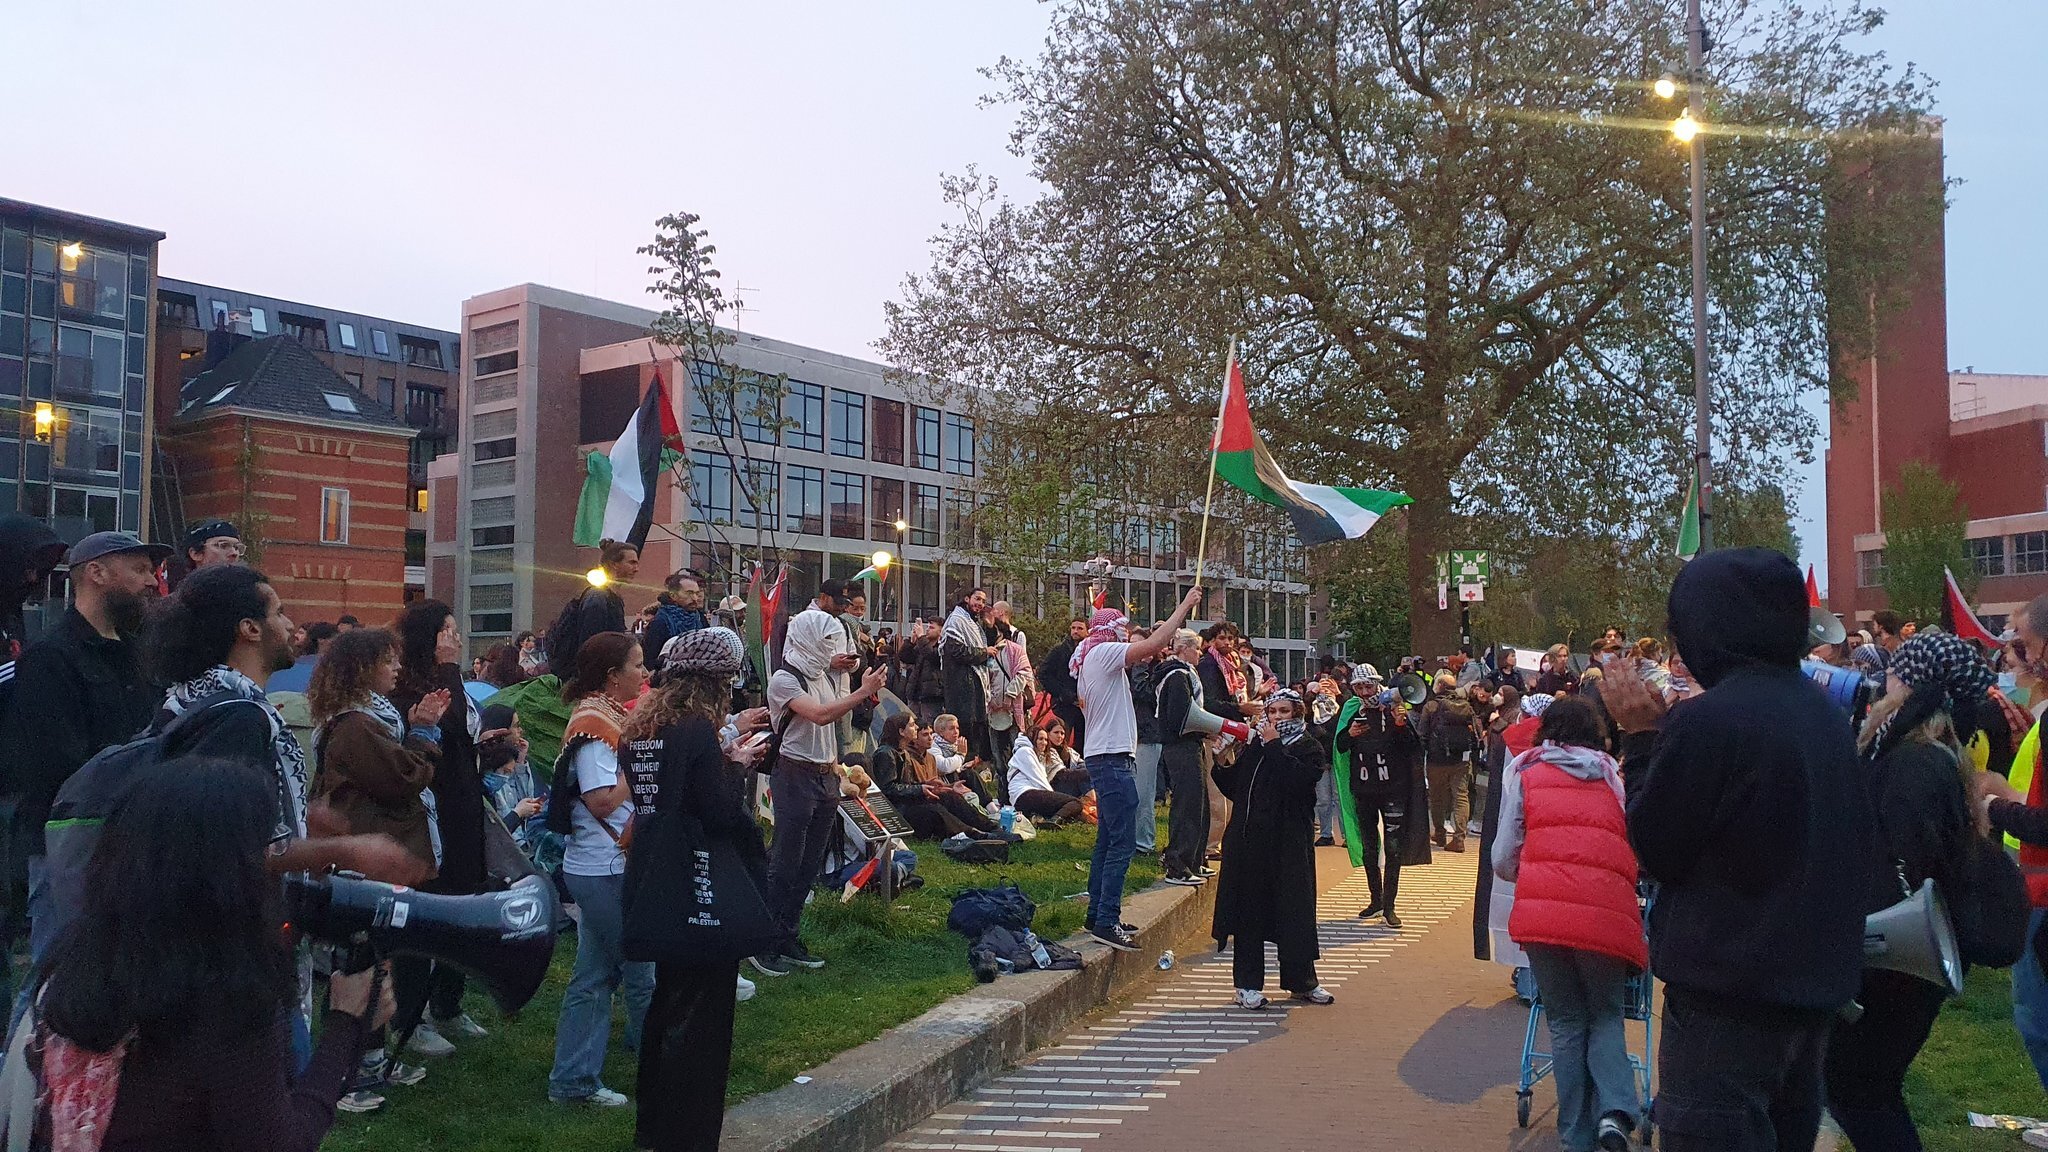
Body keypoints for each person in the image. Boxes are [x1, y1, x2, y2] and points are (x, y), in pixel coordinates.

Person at [1605, 548, 1879, 1152]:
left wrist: (1641, 738)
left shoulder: (1712, 722)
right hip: (1809, 993)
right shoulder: (1824, 715)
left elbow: (1656, 848)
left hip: (1726, 1001)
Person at [26, 758, 393, 1150]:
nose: (277, 862)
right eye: (272, 845)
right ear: (227, 874)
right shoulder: (227, 1002)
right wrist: (346, 1024)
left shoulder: (79, 958)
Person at [1825, 631, 1988, 1149]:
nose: (1883, 680)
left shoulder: (1913, 761)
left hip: (1897, 959)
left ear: (1910, 685)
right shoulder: (1933, 754)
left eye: (1895, 671)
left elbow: (1902, 863)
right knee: (1863, 1089)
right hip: (1905, 956)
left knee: (1861, 1091)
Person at [617, 627, 766, 1150]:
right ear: (715, 683)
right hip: (696, 883)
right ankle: (690, 1133)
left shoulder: (639, 730)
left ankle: (652, 1128)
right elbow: (717, 812)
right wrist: (737, 769)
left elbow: (662, 799)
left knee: (665, 1005)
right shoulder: (697, 733)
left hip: (650, 877)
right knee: (703, 1020)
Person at [0, 531, 167, 972]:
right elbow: (54, 766)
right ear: (96, 572)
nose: (152, 582)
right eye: (140, 569)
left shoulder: (140, 656)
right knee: (59, 982)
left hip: (129, 843)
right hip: (68, 848)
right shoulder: (50, 659)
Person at [1492, 697, 1645, 1152]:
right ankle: (1615, 1113)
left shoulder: (1526, 772)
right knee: (1605, 1015)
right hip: (1605, 913)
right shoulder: (1611, 775)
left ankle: (1574, 1134)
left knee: (1564, 1020)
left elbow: (1502, 856)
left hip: (1544, 916)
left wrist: (1535, 868)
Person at [305, 626, 448, 1108]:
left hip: (373, 855)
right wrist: (425, 734)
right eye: (388, 661)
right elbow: (401, 778)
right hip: (364, 861)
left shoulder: (368, 721)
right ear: (364, 669)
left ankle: (370, 1059)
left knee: (376, 963)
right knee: (360, 965)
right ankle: (348, 1071)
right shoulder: (356, 726)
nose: (397, 669)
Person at [546, 631, 655, 1108]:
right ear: (612, 678)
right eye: (638, 665)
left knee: (601, 970)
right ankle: (582, 1080)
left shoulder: (609, 717)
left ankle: (581, 1075)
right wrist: (642, 770)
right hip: (603, 867)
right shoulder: (593, 727)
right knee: (621, 971)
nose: (646, 673)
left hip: (605, 866)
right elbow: (599, 800)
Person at [757, 600, 886, 979]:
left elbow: (836, 707)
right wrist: (864, 691)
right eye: (825, 641)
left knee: (811, 862)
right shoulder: (785, 679)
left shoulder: (823, 675)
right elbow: (821, 714)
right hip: (794, 774)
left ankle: (788, 935)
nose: (830, 648)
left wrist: (846, 672)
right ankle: (763, 940)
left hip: (825, 775)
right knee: (785, 861)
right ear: (807, 640)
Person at [1073, 589, 1202, 952]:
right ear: (1109, 630)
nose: (1125, 635)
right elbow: (1156, 642)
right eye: (1121, 629)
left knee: (1107, 840)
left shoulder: (1089, 660)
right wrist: (1185, 606)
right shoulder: (1103, 653)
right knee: (1122, 842)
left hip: (1106, 756)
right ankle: (1107, 920)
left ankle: (1098, 913)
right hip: (1112, 758)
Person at [390, 600, 492, 1057]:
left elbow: (462, 732)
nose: (454, 638)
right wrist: (450, 670)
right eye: (445, 630)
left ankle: (448, 1002)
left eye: (456, 628)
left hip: (465, 804)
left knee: (464, 903)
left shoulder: (453, 680)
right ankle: (410, 1015)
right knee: (428, 910)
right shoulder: (409, 687)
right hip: (433, 810)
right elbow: (444, 724)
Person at [1212, 690, 1334, 1010]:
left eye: (1284, 712)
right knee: (1249, 914)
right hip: (1251, 844)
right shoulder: (1256, 745)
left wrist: (1273, 746)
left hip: (1289, 845)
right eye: (1272, 711)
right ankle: (1247, 985)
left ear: (1297, 715)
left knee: (1294, 913)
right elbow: (1236, 787)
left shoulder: (1309, 747)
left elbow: (1296, 782)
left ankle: (1302, 982)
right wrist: (1223, 759)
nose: (1276, 717)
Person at [1332, 664, 1423, 928]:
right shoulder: (1353, 709)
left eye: (1368, 686)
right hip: (1364, 790)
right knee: (1370, 848)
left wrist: (1400, 723)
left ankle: (1390, 905)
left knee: (1393, 849)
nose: (1363, 692)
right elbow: (1338, 745)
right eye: (1358, 687)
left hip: (1392, 789)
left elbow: (1413, 746)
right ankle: (1376, 899)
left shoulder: (1394, 707)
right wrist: (1349, 734)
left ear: (1376, 684)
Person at [872, 714, 1003, 840]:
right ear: (901, 731)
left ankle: (990, 827)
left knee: (950, 797)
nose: (916, 728)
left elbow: (906, 784)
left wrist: (932, 786)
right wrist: (921, 789)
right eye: (912, 725)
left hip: (908, 801)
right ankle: (973, 834)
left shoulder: (902, 752)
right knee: (936, 810)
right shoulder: (886, 754)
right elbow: (888, 789)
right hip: (900, 810)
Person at [1155, 629, 1218, 885]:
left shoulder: (1185, 674)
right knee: (1187, 804)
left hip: (1191, 745)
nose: (1200, 653)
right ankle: (1178, 864)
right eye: (1197, 648)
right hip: (1181, 746)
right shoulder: (1176, 676)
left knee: (1199, 803)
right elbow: (1181, 716)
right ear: (1183, 649)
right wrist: (1210, 727)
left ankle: (1195, 859)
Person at [550, 538, 638, 677]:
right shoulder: (597, 599)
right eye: (631, 563)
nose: (636, 569)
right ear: (614, 564)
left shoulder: (613, 599)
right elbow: (590, 648)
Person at [940, 587, 999, 767]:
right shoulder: (957, 620)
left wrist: (990, 626)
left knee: (978, 727)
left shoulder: (973, 622)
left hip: (974, 683)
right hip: (961, 685)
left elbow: (985, 644)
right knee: (965, 727)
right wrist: (984, 652)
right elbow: (957, 651)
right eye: (977, 599)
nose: (980, 604)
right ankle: (964, 766)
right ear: (967, 598)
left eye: (983, 601)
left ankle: (977, 765)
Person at [1422, 674, 1481, 853]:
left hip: (1436, 760)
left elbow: (1422, 733)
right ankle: (1459, 839)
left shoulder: (1431, 706)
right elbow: (1477, 732)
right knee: (1461, 796)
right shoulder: (1466, 706)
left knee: (1437, 797)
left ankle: (1439, 833)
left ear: (1440, 685)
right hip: (1461, 760)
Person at [1007, 720, 1087, 824]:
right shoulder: (1025, 751)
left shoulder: (1038, 755)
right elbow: (1038, 778)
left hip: (1028, 797)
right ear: (1032, 738)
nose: (1044, 742)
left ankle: (1044, 819)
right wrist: (1054, 797)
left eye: (1045, 740)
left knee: (1078, 813)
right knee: (1075, 803)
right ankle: (1054, 821)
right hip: (1024, 794)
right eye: (1040, 739)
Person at [1038, 618, 1090, 750]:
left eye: (1080, 628)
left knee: (1083, 744)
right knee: (1060, 741)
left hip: (1086, 705)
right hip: (1064, 705)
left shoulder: (1092, 651)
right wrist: (1061, 692)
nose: (1076, 631)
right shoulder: (1059, 651)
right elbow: (1044, 674)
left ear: (1087, 631)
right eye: (1073, 628)